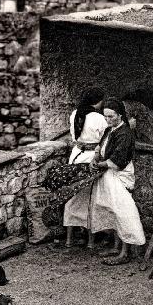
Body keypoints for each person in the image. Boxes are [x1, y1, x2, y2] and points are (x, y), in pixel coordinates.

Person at [89, 97, 146, 265]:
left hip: (119, 174)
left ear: (120, 116)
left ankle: (124, 252)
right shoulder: (109, 130)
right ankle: (116, 246)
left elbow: (118, 160)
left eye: (111, 117)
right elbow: (100, 148)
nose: (108, 120)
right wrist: (95, 157)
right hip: (108, 174)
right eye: (105, 117)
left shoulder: (125, 133)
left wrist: (100, 164)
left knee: (124, 212)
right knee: (112, 209)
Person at [64, 87, 108, 248]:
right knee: (90, 197)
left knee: (73, 196)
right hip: (91, 158)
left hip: (75, 156)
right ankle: (90, 241)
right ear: (98, 101)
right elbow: (105, 139)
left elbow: (74, 136)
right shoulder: (99, 118)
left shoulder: (75, 114)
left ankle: (69, 239)